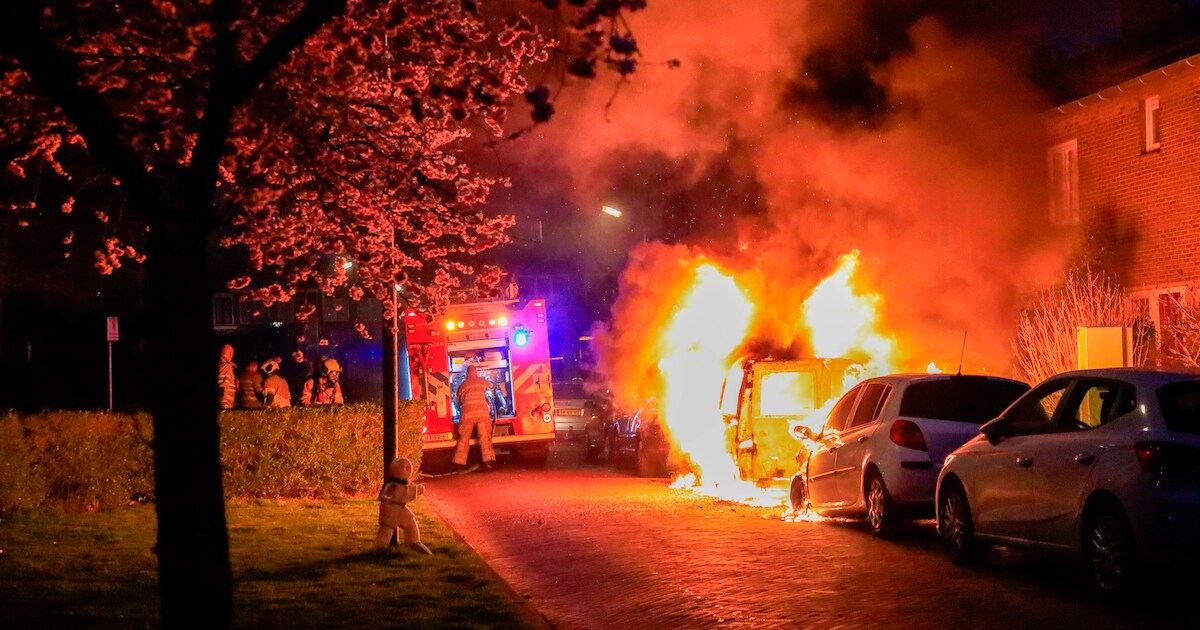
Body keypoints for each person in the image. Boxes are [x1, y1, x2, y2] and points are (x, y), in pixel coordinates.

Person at [374, 456, 432, 554]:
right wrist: (419, 489)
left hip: (393, 510)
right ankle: (412, 542)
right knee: (389, 529)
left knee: (403, 525)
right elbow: (406, 495)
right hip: (395, 511)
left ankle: (410, 542)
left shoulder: (390, 485)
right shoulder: (399, 487)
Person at [453, 363, 497, 472]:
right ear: (476, 372)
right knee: (485, 439)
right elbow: (492, 392)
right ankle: (488, 463)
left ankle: (460, 464)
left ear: (467, 374)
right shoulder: (483, 382)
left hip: (467, 416)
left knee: (464, 440)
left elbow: (457, 403)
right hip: (482, 415)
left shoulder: (462, 385)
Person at [217, 344, 237, 410]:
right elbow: (222, 386)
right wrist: (224, 406)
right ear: (231, 353)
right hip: (226, 405)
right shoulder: (226, 366)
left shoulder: (221, 365)